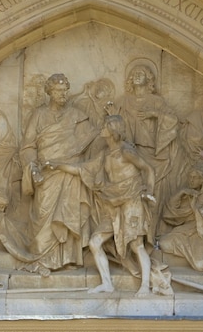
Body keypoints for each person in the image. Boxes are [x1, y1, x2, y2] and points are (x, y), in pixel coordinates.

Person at [0, 73, 98, 275]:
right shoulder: (39, 115)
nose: (63, 94)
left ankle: (67, 258)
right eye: (58, 91)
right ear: (49, 92)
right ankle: (42, 257)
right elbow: (27, 146)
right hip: (46, 172)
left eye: (65, 90)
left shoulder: (77, 115)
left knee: (69, 213)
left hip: (69, 172)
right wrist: (32, 165)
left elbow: (93, 139)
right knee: (43, 212)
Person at [55, 115, 157, 295]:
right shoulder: (104, 155)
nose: (101, 129)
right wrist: (55, 165)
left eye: (105, 126)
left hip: (132, 200)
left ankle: (145, 286)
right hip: (113, 204)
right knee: (95, 242)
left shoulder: (126, 152)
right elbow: (81, 169)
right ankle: (107, 284)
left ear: (112, 130)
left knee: (136, 245)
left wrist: (148, 191)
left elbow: (148, 169)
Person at [106, 61, 180, 235]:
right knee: (131, 194)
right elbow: (116, 125)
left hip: (150, 150)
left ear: (149, 79)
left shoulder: (156, 101)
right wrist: (112, 115)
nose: (137, 75)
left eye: (142, 73)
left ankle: (152, 231)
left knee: (151, 189)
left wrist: (154, 114)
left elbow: (172, 121)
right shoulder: (124, 101)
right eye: (135, 73)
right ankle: (131, 233)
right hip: (129, 151)